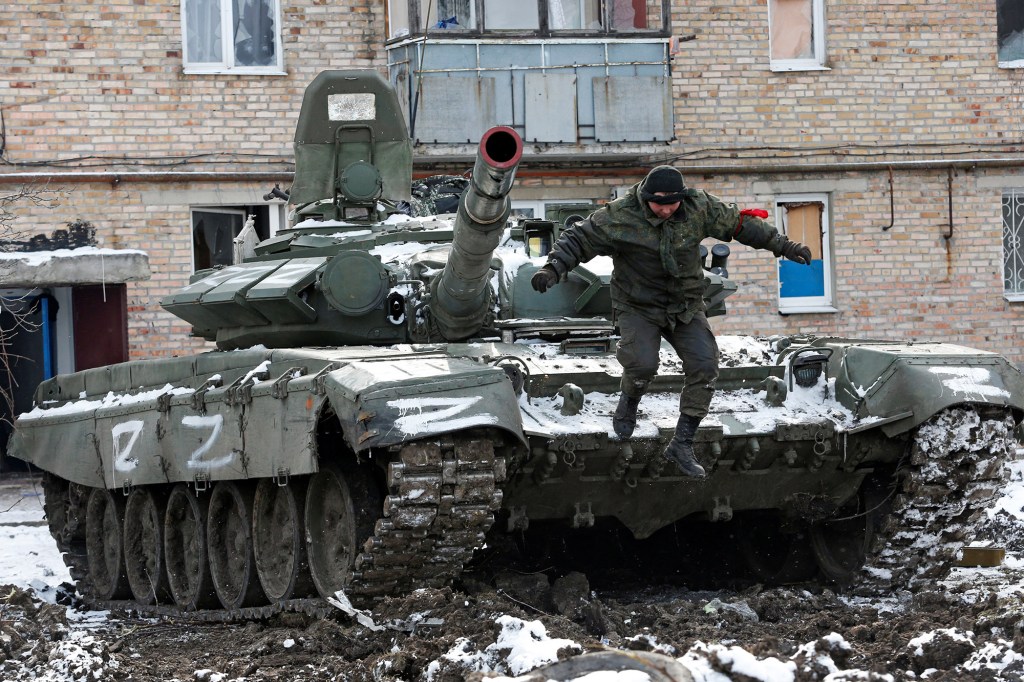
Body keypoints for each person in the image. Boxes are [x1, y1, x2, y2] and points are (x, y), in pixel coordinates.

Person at [530, 165, 812, 478]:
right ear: (646, 198)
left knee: (705, 366)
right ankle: (630, 401)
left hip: (685, 306)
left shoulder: (698, 206)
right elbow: (579, 238)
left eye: (672, 204)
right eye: (659, 204)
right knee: (642, 364)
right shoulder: (619, 215)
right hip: (639, 306)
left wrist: (785, 246)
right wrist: (553, 268)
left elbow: (741, 225)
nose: (665, 210)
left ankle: (682, 442)